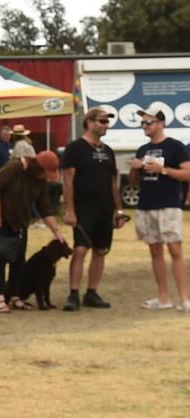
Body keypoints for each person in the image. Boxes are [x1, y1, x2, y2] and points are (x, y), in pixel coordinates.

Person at [0, 142, 67, 312]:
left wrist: (57, 231)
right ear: (36, 165)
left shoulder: (40, 180)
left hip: (20, 219)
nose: (44, 177)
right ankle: (0, 299)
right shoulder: (15, 168)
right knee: (0, 257)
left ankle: (15, 296)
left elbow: (45, 207)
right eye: (44, 173)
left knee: (19, 258)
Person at [60, 107, 123, 311]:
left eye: (107, 122)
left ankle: (92, 292)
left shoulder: (108, 151)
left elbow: (114, 183)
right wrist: (69, 209)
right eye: (102, 121)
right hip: (83, 208)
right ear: (89, 122)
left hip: (105, 209)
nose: (106, 125)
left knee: (100, 250)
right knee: (80, 250)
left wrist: (119, 210)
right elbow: (68, 179)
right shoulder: (75, 148)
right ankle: (73, 293)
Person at [129, 109, 190, 311]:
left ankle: (184, 299)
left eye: (149, 122)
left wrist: (162, 170)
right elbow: (132, 182)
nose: (145, 126)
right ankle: (163, 298)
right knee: (155, 250)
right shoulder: (142, 149)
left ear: (161, 124)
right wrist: (134, 167)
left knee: (175, 249)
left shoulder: (175, 146)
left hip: (169, 204)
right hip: (146, 205)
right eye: (143, 123)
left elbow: (187, 174)